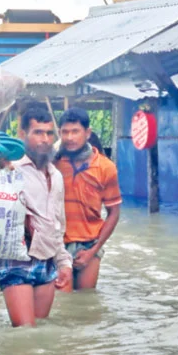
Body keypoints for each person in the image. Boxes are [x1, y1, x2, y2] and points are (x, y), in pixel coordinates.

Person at [0, 102, 72, 327]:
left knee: (40, 334)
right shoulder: (10, 170)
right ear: (23, 134)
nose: (45, 139)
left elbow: (57, 224)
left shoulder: (55, 176)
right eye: (38, 133)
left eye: (49, 133)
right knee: (25, 332)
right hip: (17, 259)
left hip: (47, 259)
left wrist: (64, 263)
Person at [55, 108, 121, 292]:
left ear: (87, 133)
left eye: (75, 131)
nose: (70, 137)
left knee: (86, 301)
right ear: (59, 133)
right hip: (57, 243)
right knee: (62, 303)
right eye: (65, 132)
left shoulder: (106, 167)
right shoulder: (53, 162)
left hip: (90, 244)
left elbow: (114, 213)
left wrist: (94, 250)